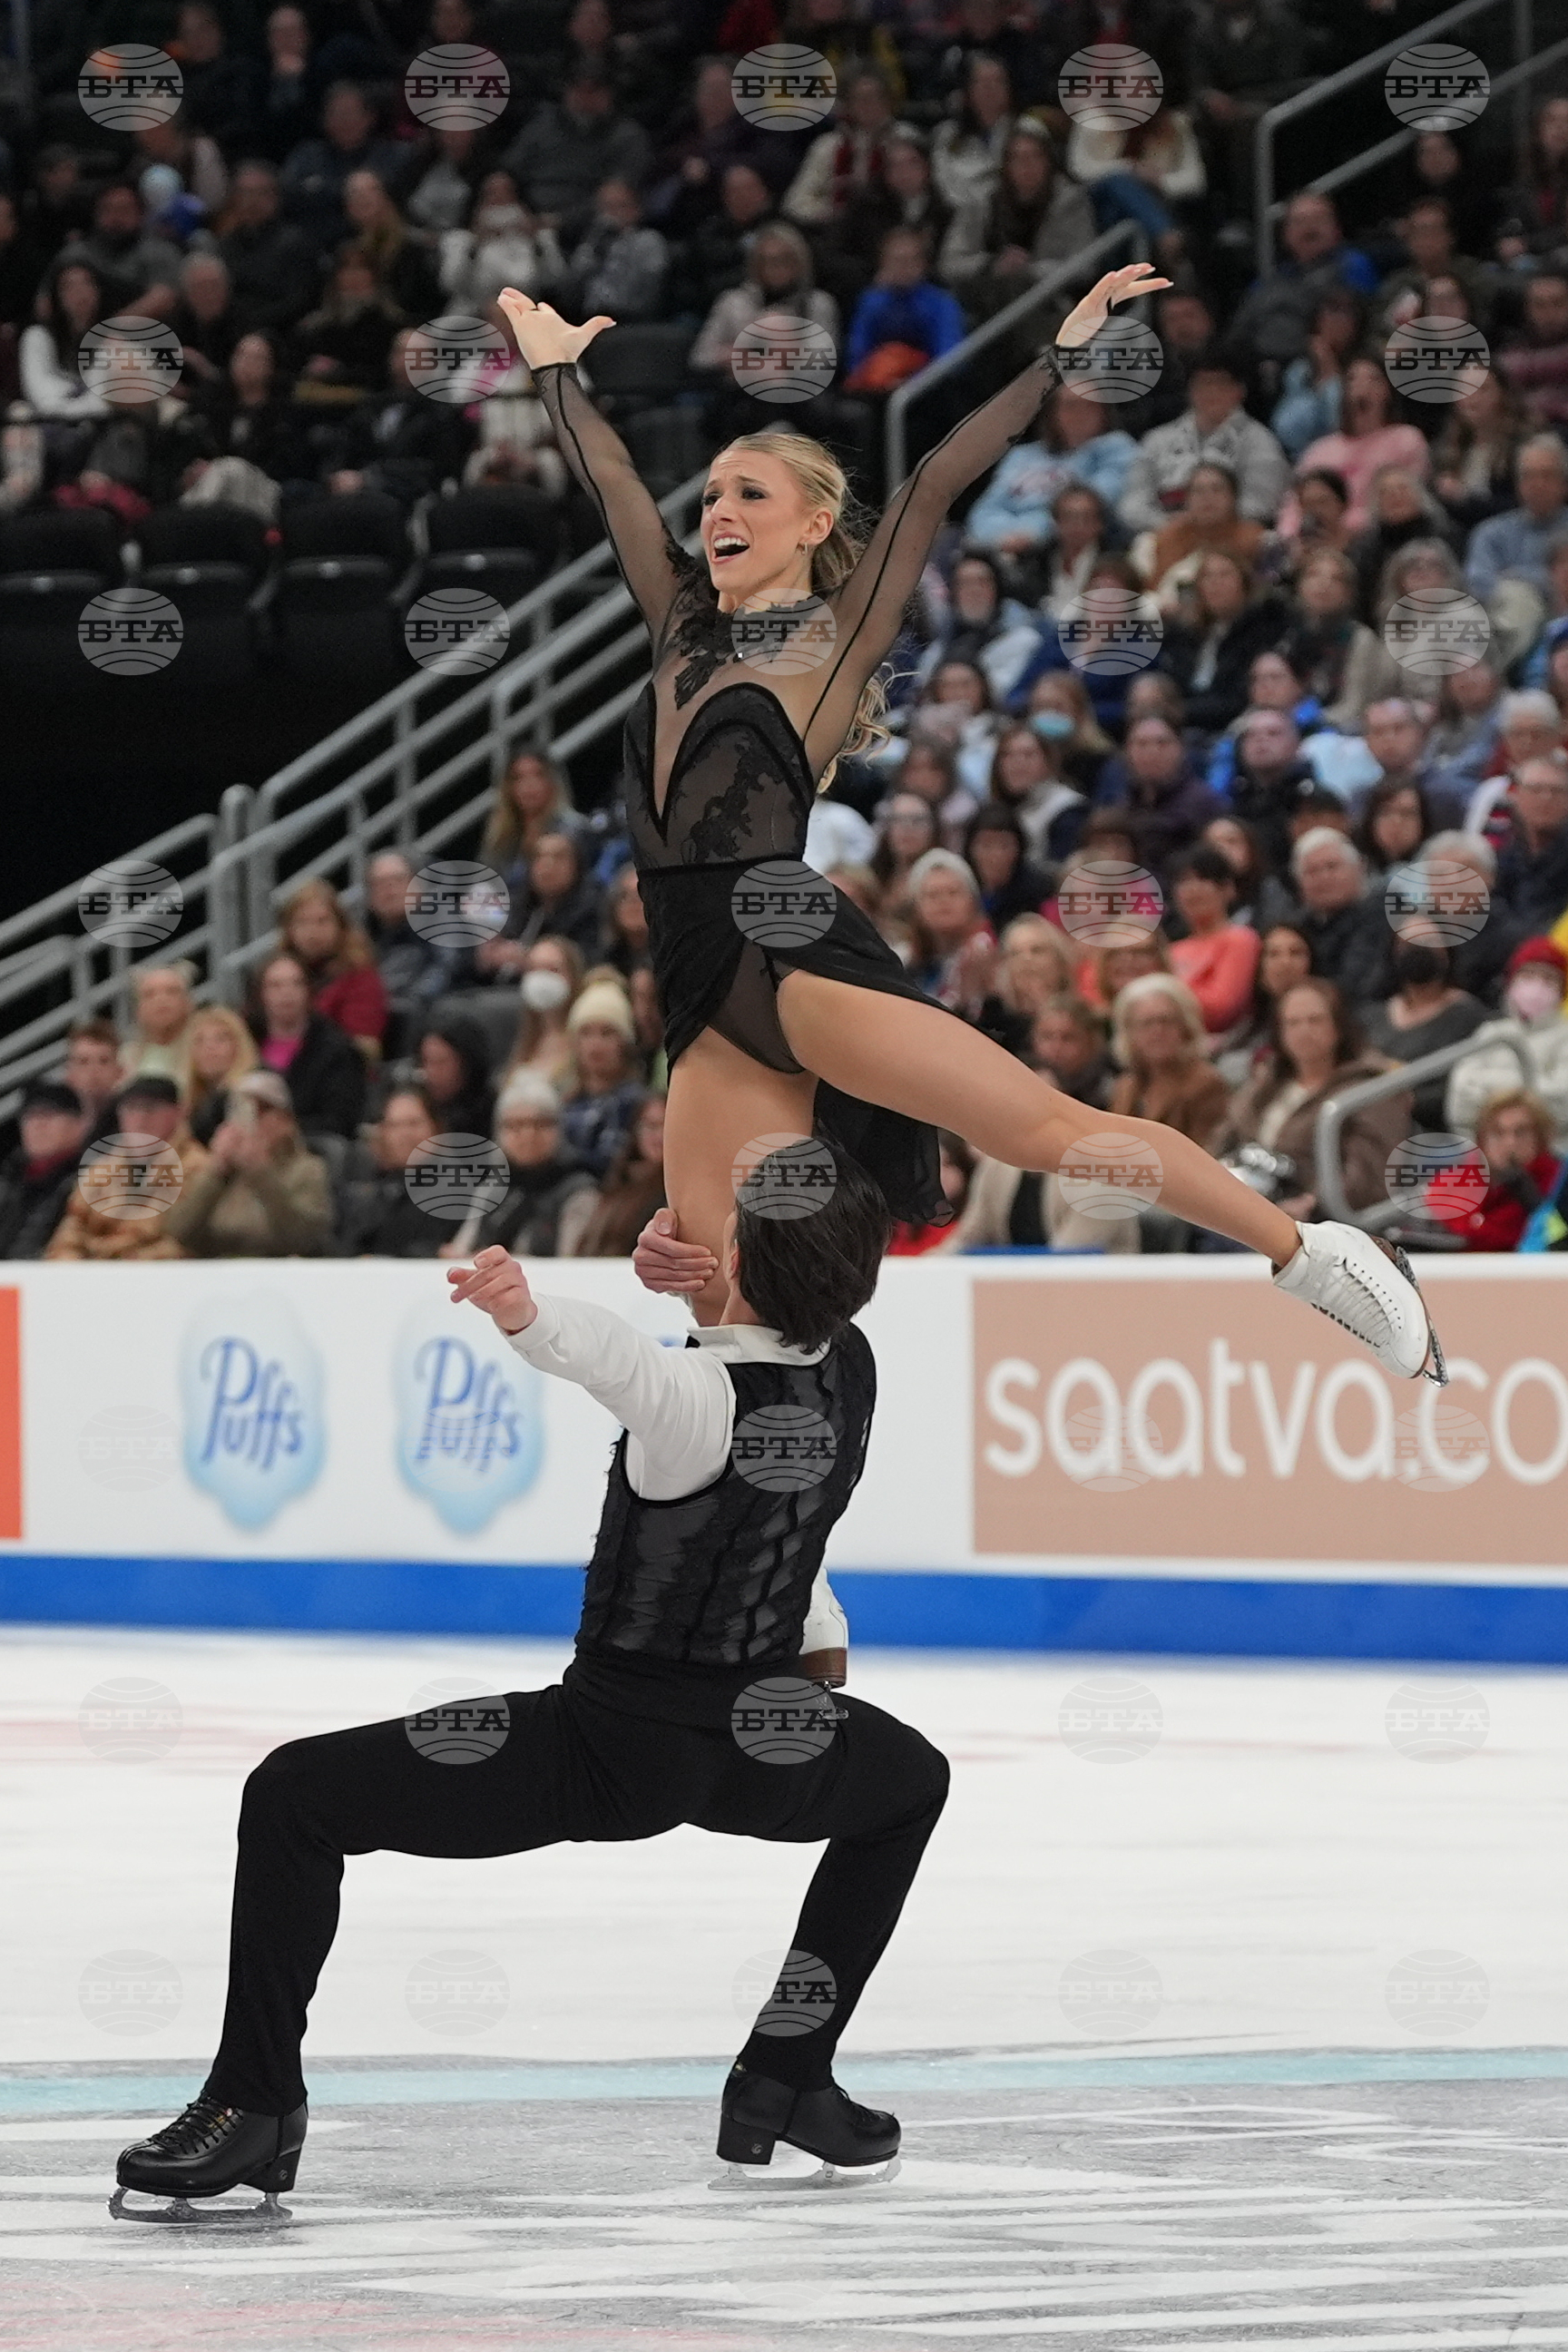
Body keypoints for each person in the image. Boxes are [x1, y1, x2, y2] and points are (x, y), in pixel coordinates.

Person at [498, 265, 1443, 1378]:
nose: (718, 513)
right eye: (709, 497)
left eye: (750, 494)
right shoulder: (678, 627)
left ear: (813, 524)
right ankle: (785, 1497)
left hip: (788, 956)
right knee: (719, 1300)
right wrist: (556, 375)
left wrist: (1059, 357)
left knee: (1040, 1131)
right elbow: (613, 482)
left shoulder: (830, 644)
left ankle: (1314, 1255)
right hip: (694, 979)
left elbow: (935, 481)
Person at [113, 1144, 948, 2212]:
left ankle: (254, 2104)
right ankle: (786, 2075)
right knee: (909, 1784)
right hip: (765, 1744)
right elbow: (771, 1438)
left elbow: (613, 1359)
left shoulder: (691, 1397)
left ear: (737, 1258)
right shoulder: (852, 1367)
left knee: (293, 1796)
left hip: (608, 1753)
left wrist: (524, 1311)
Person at [1220, 979, 1409, 1220]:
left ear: (1338, 1027)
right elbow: (1225, 1138)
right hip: (1243, 1198)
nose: (1304, 1031)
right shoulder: (1266, 1082)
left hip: (1309, 1216)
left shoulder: (1370, 1089)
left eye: (1315, 1020)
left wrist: (1312, 1204)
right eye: (1292, 1023)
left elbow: (1369, 1175)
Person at [162, 1071, 332, 1258]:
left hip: (277, 1267)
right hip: (219, 1266)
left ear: (286, 1121)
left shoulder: (307, 1169)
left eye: (262, 1110)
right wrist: (217, 1173)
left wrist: (261, 1173)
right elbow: (180, 1232)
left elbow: (304, 1238)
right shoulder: (218, 1172)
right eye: (240, 1110)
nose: (252, 1121)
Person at [45, 1075, 209, 1262]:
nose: (140, 1119)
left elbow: (184, 1242)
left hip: (160, 1272)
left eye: (150, 1109)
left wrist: (120, 1267)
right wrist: (72, 1264)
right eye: (130, 1109)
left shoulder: (197, 1168)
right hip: (95, 1272)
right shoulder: (102, 1170)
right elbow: (69, 1233)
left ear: (178, 1112)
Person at [446, 1073, 598, 1258]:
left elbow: (573, 1264)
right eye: (516, 1125)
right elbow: (460, 1250)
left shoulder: (579, 1192)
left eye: (540, 1124)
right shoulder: (492, 1188)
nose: (528, 1135)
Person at [1446, 937, 1568, 1148]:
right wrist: (1529, 1092)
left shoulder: (1564, 1036)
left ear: (1562, 990)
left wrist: (1490, 1091)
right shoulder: (1490, 1033)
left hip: (1551, 1153)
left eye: (1548, 978)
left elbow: (1561, 1105)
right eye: (1528, 975)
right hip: (1478, 1149)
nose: (1537, 985)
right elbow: (1459, 1101)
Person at [248, 953, 368, 1139]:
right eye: (276, 985)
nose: (286, 993)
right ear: (261, 994)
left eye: (296, 983)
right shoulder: (245, 1040)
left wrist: (284, 1130)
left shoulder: (336, 1050)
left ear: (308, 991)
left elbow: (340, 1120)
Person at [1107, 973, 1230, 1148]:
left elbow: (1204, 1153)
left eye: (1166, 1021)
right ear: (1129, 1033)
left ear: (1185, 1027)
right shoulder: (1126, 1086)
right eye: (1147, 1023)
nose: (1158, 1031)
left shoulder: (1205, 1084)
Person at [278, 877, 389, 1057]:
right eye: (302, 922)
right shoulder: (277, 973)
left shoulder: (360, 977)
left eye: (322, 921)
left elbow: (363, 1047)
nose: (312, 932)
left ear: (340, 926)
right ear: (289, 930)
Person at [342, 1085, 447, 1257]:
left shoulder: (457, 1187)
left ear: (436, 1127)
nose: (405, 1134)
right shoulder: (375, 1190)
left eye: (414, 1123)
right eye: (395, 1125)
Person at [1167, 845, 1261, 1036]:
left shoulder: (1240, 939)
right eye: (1183, 882)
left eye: (1202, 879)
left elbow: (1222, 1007)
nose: (1192, 889)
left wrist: (1167, 997)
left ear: (1228, 889)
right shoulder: (1173, 949)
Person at [1454, 1091, 1564, 1250]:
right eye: (1498, 1133)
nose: (1510, 1143)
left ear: (1540, 1139)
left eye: (1521, 1132)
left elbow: (1560, 1243)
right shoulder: (1458, 1183)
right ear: (1482, 1140)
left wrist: (1536, 1205)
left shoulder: (1559, 1182)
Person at [559, 979, 645, 1175]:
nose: (595, 1044)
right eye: (586, 1033)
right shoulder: (563, 1102)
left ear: (625, 1043)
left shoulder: (636, 1104)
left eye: (607, 1033)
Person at [571, 1090, 667, 1255]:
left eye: (666, 1126)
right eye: (652, 1126)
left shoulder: (679, 1193)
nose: (659, 1135)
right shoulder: (620, 1182)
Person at [0, 1082, 87, 1259]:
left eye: (49, 1115)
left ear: (78, 1125)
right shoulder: (9, 1179)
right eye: (30, 1116)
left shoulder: (92, 1180)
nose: (38, 1125)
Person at [186, 1005, 260, 1146]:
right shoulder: (193, 1101)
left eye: (221, 1039)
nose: (209, 1047)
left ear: (239, 1046)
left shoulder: (248, 1092)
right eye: (199, 1040)